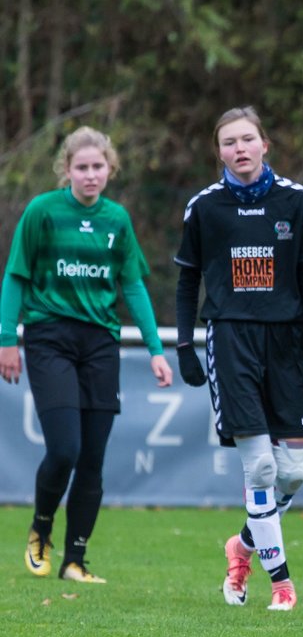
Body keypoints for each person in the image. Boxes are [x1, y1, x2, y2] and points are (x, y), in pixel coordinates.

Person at [174, 106, 303, 612]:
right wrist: (184, 345)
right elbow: (186, 281)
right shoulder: (204, 208)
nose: (238, 149)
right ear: (218, 151)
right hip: (230, 340)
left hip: (286, 342)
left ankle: (241, 544)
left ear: (265, 143)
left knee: (293, 474)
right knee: (260, 469)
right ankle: (280, 582)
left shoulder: (297, 202)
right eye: (228, 142)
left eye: (247, 139)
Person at [0, 126, 173, 583]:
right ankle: (40, 528)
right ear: (67, 170)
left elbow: (132, 284)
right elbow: (15, 276)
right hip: (49, 337)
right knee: (65, 449)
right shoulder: (43, 211)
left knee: (93, 456)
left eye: (98, 167)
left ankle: (75, 561)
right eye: (82, 167)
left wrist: (156, 349)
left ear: (110, 169)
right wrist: (5, 340)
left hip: (99, 343)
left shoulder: (117, 220)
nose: (90, 175)